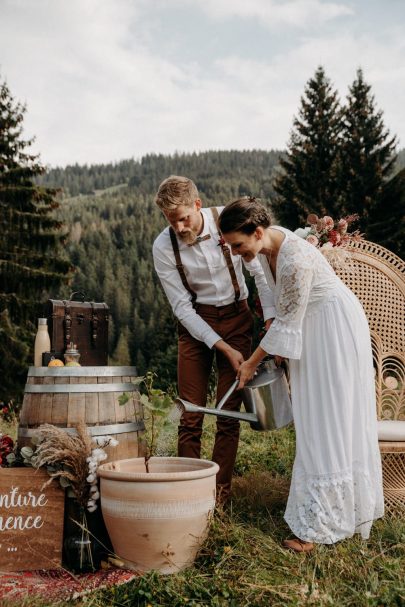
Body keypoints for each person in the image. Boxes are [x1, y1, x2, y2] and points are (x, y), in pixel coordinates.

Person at [219, 197, 384, 550]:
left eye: (238, 245)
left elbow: (288, 322)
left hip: (332, 327)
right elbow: (268, 294)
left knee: (327, 418)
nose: (235, 252)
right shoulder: (261, 249)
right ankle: (323, 512)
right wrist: (270, 337)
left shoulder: (294, 258)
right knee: (312, 418)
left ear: (258, 231)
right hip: (307, 326)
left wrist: (251, 363)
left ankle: (321, 527)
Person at [153, 177, 275, 502]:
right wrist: (221, 346)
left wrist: (269, 321)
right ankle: (189, 496)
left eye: (184, 218)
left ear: (197, 205)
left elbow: (260, 272)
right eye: (171, 220)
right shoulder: (163, 247)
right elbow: (181, 307)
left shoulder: (228, 220)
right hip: (196, 325)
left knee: (227, 414)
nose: (179, 226)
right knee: (190, 413)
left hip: (238, 317)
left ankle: (218, 499)